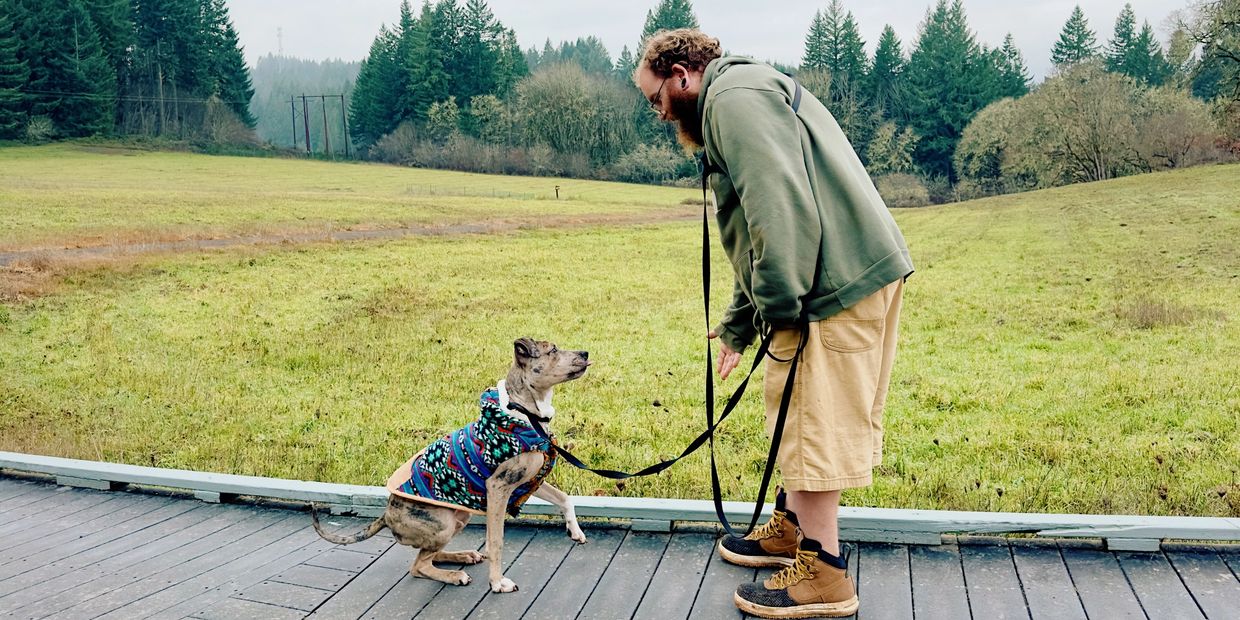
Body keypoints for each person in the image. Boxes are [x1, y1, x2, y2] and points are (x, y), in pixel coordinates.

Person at [633, 29, 913, 619]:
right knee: (799, 412)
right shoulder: (740, 92)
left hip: (828, 287)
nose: (657, 113)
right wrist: (740, 322)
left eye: (655, 97)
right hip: (835, 275)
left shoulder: (733, 99)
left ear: (682, 75)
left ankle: (825, 574)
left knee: (815, 424)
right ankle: (792, 528)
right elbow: (754, 230)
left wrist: (780, 311)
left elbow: (779, 207)